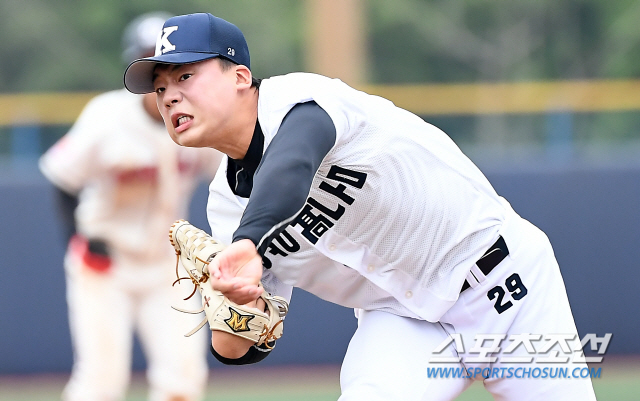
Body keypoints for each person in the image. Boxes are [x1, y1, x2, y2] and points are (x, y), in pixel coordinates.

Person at [123, 12, 597, 401]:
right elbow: (240, 348)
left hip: (504, 284)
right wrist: (226, 300)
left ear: (241, 76)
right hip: (403, 320)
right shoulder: (227, 207)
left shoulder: (301, 99)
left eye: (185, 75)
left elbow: (292, 161)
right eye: (160, 88)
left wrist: (249, 243)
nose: (169, 96)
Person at [40, 12, 222, 401]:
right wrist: (79, 238)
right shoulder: (107, 116)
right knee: (101, 382)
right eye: (152, 62)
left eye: (175, 65)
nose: (163, 73)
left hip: (170, 264)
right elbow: (62, 178)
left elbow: (228, 177)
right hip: (107, 261)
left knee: (184, 380)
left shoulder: (201, 122)